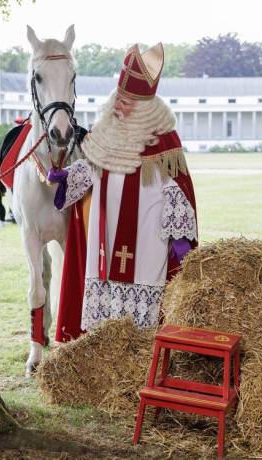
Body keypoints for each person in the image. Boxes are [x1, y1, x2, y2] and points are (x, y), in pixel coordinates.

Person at [49, 43, 198, 336]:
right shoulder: (105, 132)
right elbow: (90, 169)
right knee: (104, 300)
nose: (119, 105)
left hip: (147, 236)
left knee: (143, 303)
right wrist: (66, 177)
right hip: (104, 234)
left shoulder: (165, 140)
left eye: (127, 101)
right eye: (119, 98)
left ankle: (142, 347)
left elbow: (177, 188)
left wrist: (179, 235)